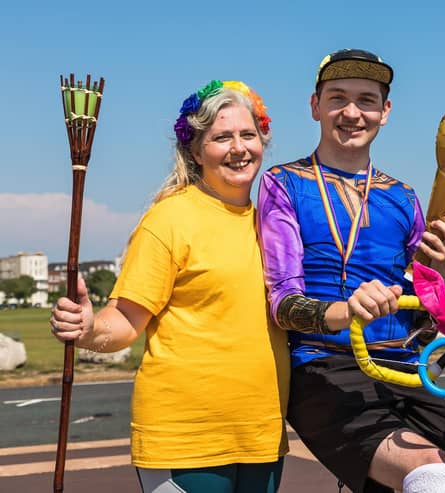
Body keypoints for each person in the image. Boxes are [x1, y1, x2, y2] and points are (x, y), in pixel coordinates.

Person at [49, 80, 290, 493]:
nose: (238, 147)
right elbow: (126, 318)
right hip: (183, 438)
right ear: (196, 151)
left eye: (248, 135)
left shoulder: (276, 222)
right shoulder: (169, 220)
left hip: (262, 436)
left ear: (263, 142)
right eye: (221, 137)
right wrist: (89, 330)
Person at [257, 49, 445, 493]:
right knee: (435, 475)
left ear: (385, 112)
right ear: (315, 106)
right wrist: (346, 311)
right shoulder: (284, 183)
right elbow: (283, 303)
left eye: (366, 100)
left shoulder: (403, 195)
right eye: (338, 98)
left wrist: (441, 264)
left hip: (407, 369)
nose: (352, 113)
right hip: (322, 366)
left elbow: (424, 305)